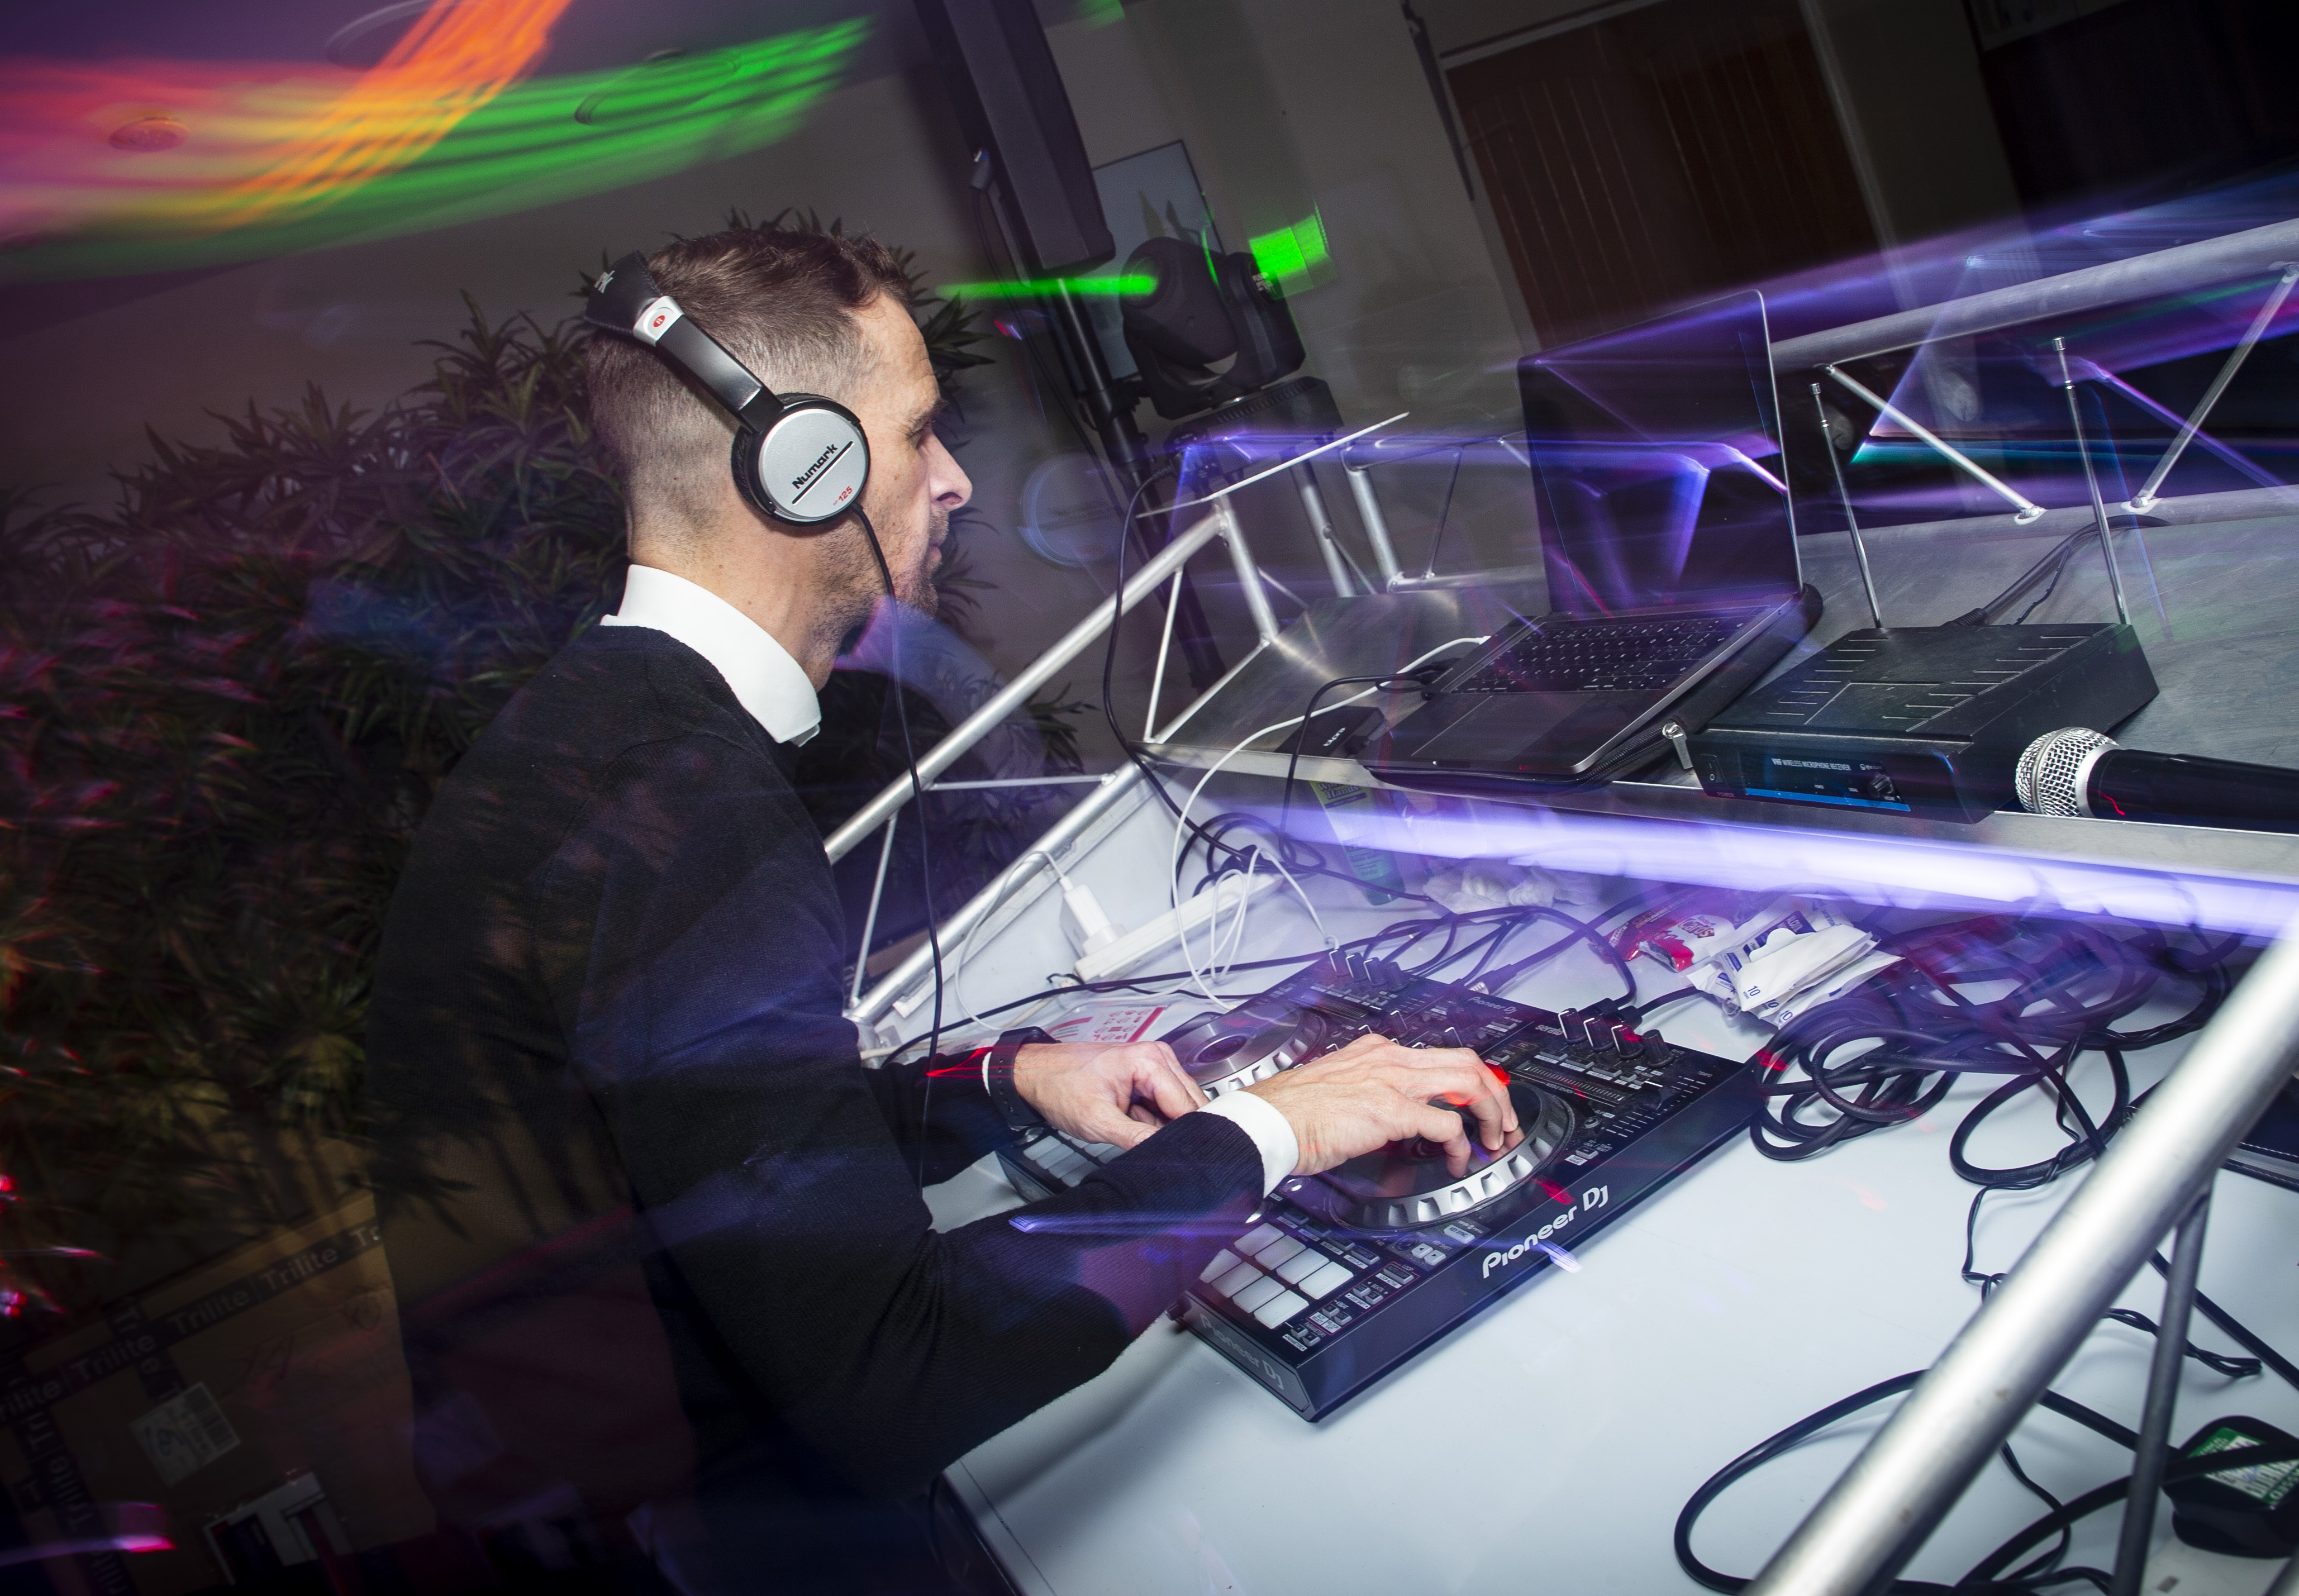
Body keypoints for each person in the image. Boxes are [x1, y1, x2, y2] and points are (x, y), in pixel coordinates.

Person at [365, 222, 1516, 1595]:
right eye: (918, 432)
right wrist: (1273, 1130)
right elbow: (895, 1376)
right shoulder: (684, 814)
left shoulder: (602, 736)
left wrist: (1002, 1083)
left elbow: (706, 1144)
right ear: (803, 467)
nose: (956, 478)